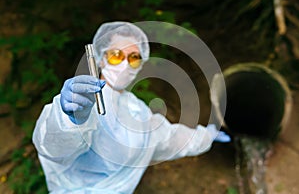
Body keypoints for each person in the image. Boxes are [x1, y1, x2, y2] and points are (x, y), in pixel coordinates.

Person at [32, 21, 230, 194]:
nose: (125, 63)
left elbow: (170, 139)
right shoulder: (83, 98)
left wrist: (207, 136)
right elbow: (53, 148)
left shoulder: (138, 110)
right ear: (101, 59)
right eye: (116, 55)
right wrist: (69, 120)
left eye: (134, 57)